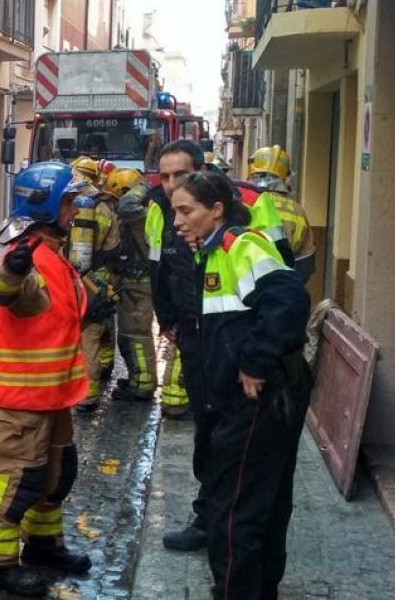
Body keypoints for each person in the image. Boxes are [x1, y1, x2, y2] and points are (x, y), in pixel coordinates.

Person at [169, 171, 312, 600]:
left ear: (216, 210)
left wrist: (254, 362)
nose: (177, 221)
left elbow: (289, 299)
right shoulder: (210, 252)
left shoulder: (241, 245)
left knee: (233, 510)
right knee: (260, 503)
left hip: (257, 399)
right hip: (244, 399)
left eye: (185, 210)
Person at [145, 139, 292, 553]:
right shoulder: (162, 208)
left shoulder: (249, 204)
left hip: (234, 339)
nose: (171, 186)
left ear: (203, 174)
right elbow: (159, 267)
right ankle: (212, 513)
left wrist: (257, 353)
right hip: (195, 336)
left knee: (235, 436)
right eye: (165, 176)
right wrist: (169, 319)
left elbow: (278, 274)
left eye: (180, 176)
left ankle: (232, 523)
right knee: (207, 428)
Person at [0, 162, 92, 597]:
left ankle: (43, 544)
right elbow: (3, 291)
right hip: (26, 398)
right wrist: (12, 272)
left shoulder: (54, 252)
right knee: (18, 479)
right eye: (68, 200)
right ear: (45, 204)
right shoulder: (24, 256)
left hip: (56, 395)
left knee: (55, 475)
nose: (76, 207)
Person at [65, 157, 121, 410]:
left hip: (88, 277)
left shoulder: (84, 206)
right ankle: (106, 365)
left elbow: (81, 252)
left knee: (87, 334)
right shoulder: (105, 203)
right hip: (106, 275)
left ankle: (88, 394)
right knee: (104, 324)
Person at [104, 168, 158, 402]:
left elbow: (126, 205)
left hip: (139, 283)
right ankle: (137, 379)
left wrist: (143, 187)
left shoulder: (139, 214)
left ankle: (143, 386)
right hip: (132, 280)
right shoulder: (142, 212)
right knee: (128, 335)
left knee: (135, 334)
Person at [248, 145, 317, 282]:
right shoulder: (297, 210)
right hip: (283, 288)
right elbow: (306, 262)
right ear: (285, 175)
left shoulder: (240, 202)